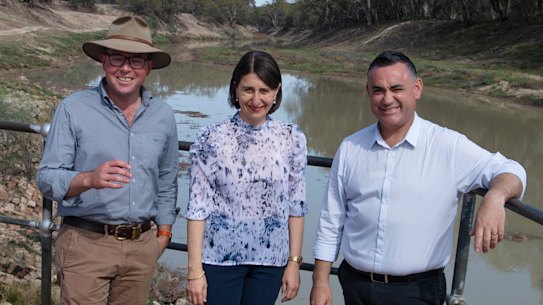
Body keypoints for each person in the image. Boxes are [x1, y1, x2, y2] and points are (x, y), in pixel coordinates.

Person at [310, 50, 526, 305]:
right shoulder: (350, 147)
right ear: (368, 92)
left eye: (396, 88)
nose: (387, 98)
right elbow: (331, 220)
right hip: (355, 285)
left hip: (417, 292)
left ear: (417, 88)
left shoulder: (448, 146)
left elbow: (512, 169)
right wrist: (321, 281)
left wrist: (495, 196)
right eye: (378, 90)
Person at [36, 16, 179, 305]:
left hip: (142, 247)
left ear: (148, 67)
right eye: (117, 58)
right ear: (104, 60)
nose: (126, 68)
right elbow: (47, 178)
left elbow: (167, 179)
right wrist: (88, 179)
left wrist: (163, 232)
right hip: (86, 243)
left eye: (136, 60)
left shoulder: (163, 115)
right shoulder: (73, 109)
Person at [185, 50, 307, 305]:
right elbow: (197, 208)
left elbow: (296, 204)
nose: (256, 99)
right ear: (235, 89)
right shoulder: (211, 137)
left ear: (277, 91)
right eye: (248, 89)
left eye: (264, 90)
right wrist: (195, 271)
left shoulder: (291, 137)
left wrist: (294, 263)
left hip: (270, 262)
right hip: (219, 261)